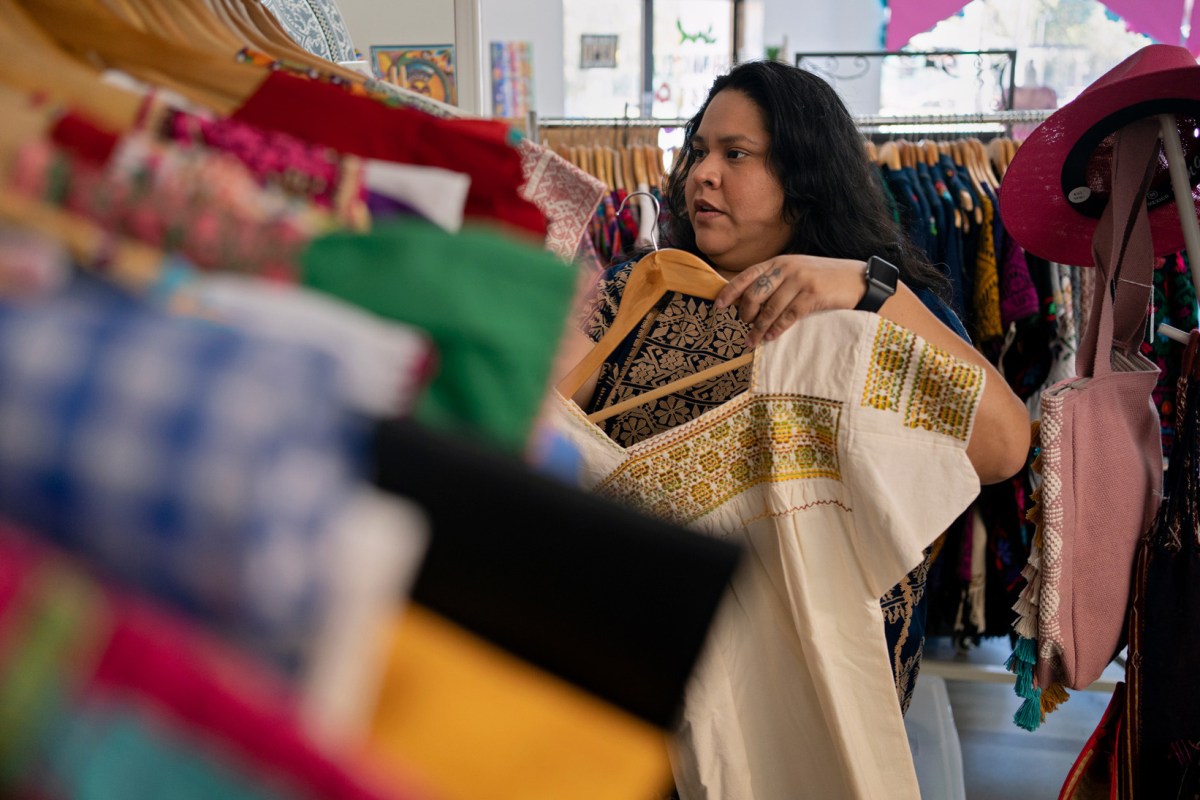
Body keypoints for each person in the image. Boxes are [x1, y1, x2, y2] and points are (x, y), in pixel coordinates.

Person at [555, 60, 1030, 796]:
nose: (702, 175)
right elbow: (549, 426)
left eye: (735, 155)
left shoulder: (869, 318)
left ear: (806, 174)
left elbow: (1001, 448)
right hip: (642, 693)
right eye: (698, 151)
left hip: (805, 703)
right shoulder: (632, 295)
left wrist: (870, 288)